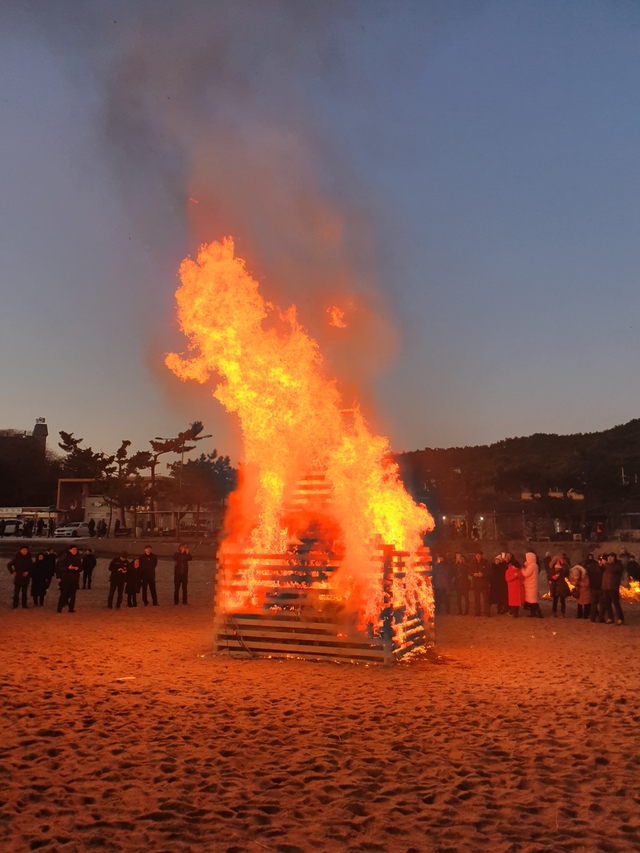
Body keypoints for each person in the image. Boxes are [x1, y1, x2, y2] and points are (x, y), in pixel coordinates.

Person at [56, 545, 82, 613]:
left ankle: (71, 608)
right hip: (66, 579)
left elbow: (81, 568)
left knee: (73, 595)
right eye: (73, 549)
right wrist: (68, 568)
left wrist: (77, 568)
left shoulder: (77, 558)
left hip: (75, 579)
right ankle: (59, 608)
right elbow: (60, 568)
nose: (75, 551)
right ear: (69, 550)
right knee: (63, 594)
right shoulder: (65, 558)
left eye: (76, 550)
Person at [600, 552, 624, 625]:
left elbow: (616, 570)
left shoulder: (618, 565)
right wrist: (601, 564)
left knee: (616, 604)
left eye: (611, 557)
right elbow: (600, 570)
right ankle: (610, 618)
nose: (610, 558)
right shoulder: (606, 565)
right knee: (607, 604)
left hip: (613, 587)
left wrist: (609, 564)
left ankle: (620, 618)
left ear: (614, 557)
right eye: (609, 557)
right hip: (605, 587)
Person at [521, 551, 543, 618]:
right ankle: (533, 613)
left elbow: (526, 574)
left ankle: (539, 613)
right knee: (531, 601)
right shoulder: (534, 565)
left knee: (533, 602)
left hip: (531, 586)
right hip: (530, 585)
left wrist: (522, 569)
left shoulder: (532, 566)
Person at [470, 550, 490, 616]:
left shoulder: (486, 562)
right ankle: (477, 612)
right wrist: (473, 574)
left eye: (479, 555)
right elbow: (469, 571)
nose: (478, 556)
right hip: (476, 584)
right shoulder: (472, 563)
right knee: (476, 599)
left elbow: (489, 572)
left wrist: (483, 574)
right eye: (476, 555)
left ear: (481, 555)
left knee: (486, 599)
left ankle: (487, 612)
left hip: (484, 584)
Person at [584, 553, 603, 622]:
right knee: (600, 603)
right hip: (599, 587)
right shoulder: (601, 569)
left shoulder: (591, 567)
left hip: (593, 587)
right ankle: (600, 618)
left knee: (593, 603)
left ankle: (593, 618)